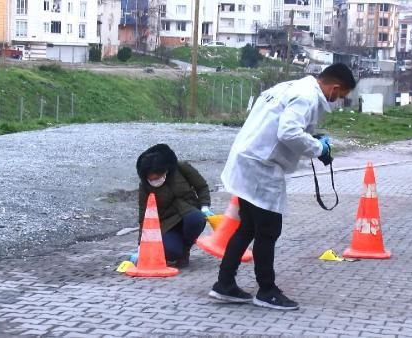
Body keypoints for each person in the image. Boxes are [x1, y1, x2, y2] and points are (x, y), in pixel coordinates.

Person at [208, 63, 356, 310]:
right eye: (340, 96)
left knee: (247, 227)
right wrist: (319, 149)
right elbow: (288, 132)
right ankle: (266, 290)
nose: (337, 101)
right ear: (335, 87)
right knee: (268, 230)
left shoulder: (290, 87)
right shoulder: (307, 96)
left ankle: (224, 284)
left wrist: (313, 139)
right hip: (261, 165)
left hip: (249, 158)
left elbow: (286, 126)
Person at [136, 144, 214, 267]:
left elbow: (201, 186)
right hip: (167, 223)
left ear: (165, 171)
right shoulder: (144, 186)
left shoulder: (182, 168)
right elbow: (143, 214)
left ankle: (186, 248)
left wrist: (205, 206)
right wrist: (141, 245)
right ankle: (177, 250)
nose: (154, 181)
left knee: (196, 219)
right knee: (171, 252)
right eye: (151, 179)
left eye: (157, 177)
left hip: (189, 212)